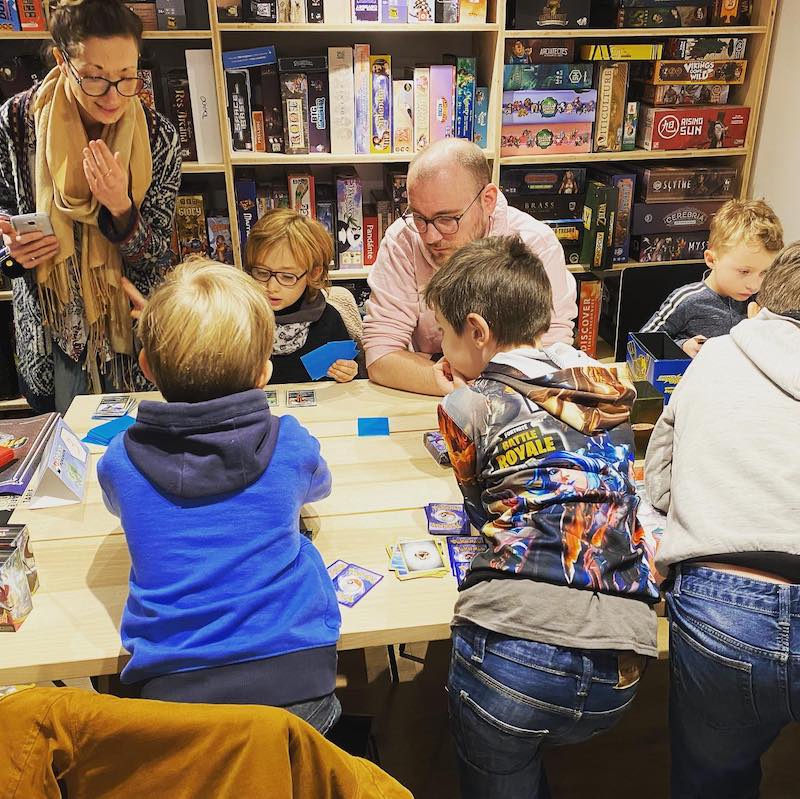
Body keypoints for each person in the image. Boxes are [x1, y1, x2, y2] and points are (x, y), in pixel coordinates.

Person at [428, 235, 659, 798]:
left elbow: (480, 510)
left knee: (501, 773)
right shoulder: (608, 386)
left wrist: (465, 399)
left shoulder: (465, 404)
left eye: (443, 334)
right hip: (624, 663)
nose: (441, 351)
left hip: (511, 657)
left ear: (477, 330)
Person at [96, 259, 342, 734]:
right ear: (265, 372)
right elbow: (320, 487)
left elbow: (115, 505)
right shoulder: (290, 443)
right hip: (300, 683)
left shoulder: (120, 459)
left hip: (175, 700)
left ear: (146, 367)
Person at [645, 243, 800, 799]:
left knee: (713, 780)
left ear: (763, 301)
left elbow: (660, 483)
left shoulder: (716, 357)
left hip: (726, 598)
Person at [0, 0, 181, 415]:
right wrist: (10, 252)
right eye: (95, 78)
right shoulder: (16, 122)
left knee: (132, 442)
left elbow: (157, 257)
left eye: (127, 77)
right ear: (62, 62)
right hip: (50, 332)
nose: (113, 96)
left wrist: (122, 210)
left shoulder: (158, 137)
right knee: (63, 442)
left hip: (129, 333)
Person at [362, 138, 577, 395]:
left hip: (516, 397)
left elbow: (548, 355)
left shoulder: (534, 244)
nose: (430, 236)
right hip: (434, 395)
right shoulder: (403, 238)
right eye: (418, 217)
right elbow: (380, 354)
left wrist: (484, 390)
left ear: (488, 200)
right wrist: (450, 385)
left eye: (446, 218)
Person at [640, 199, 783, 357]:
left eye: (764, 273)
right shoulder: (687, 299)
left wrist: (761, 329)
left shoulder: (764, 301)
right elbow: (643, 342)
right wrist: (682, 346)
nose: (754, 285)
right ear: (711, 259)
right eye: (744, 271)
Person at [244, 208, 359, 384]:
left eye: (287, 277)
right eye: (261, 273)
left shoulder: (327, 319)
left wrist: (348, 372)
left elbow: (352, 376)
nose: (271, 287)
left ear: (313, 274)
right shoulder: (239, 319)